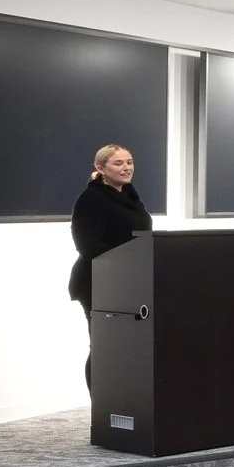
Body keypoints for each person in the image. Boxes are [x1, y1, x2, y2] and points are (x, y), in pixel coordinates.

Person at [69, 143, 153, 386]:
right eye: (118, 163)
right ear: (100, 168)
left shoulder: (130, 196)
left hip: (130, 283)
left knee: (125, 347)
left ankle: (122, 399)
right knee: (103, 347)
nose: (126, 167)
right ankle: (100, 407)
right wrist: (126, 263)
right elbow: (88, 246)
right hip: (99, 283)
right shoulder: (90, 199)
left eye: (129, 162)